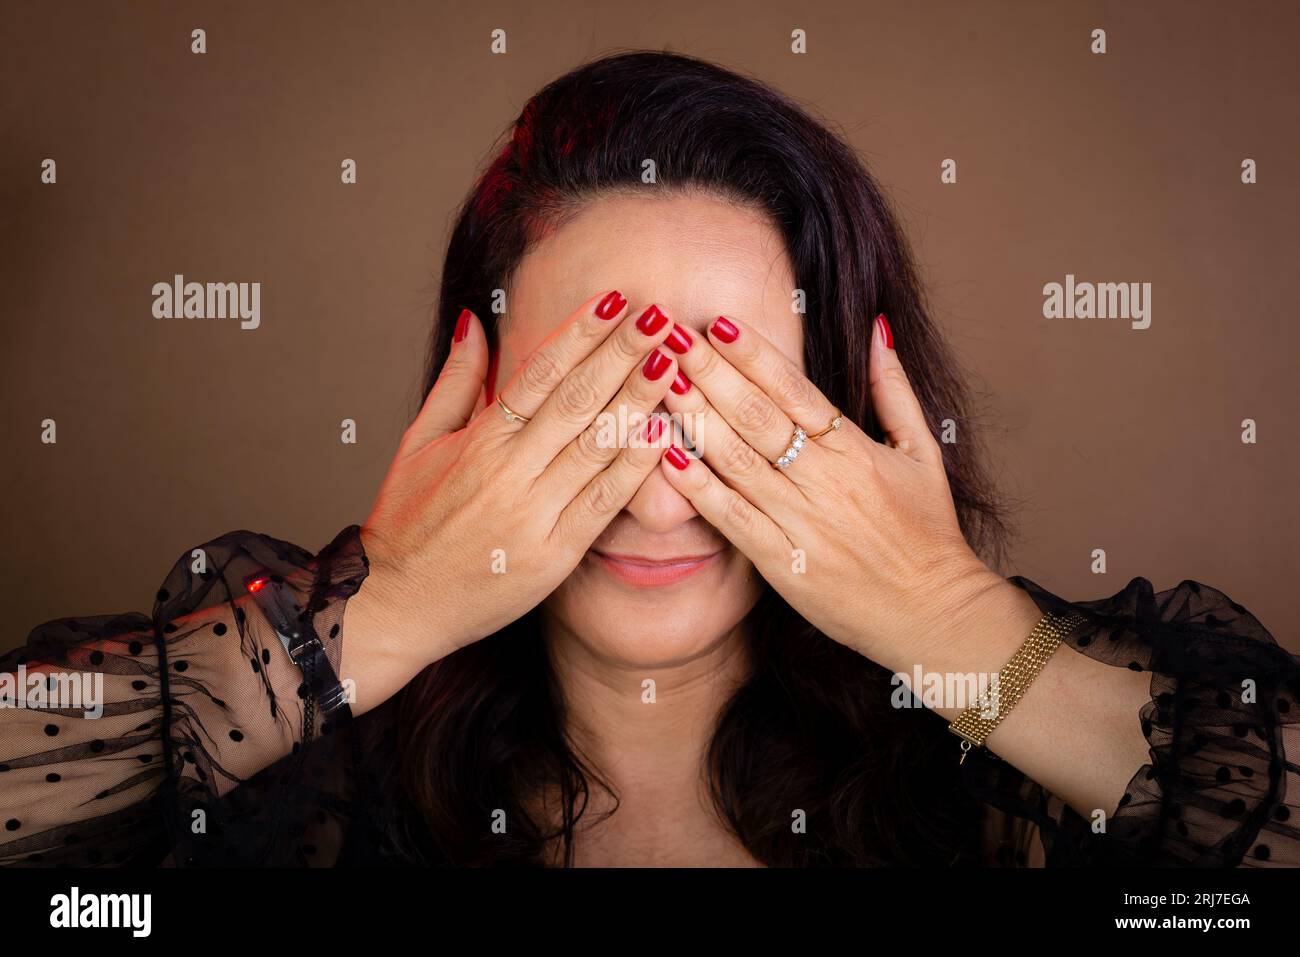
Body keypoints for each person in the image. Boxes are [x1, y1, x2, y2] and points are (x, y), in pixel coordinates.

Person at [1, 51, 1296, 868]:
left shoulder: (991, 771)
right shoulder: (308, 736)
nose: (662, 490)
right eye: (592, 402)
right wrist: (384, 607)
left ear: (844, 414)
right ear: (480, 404)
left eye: (733, 408)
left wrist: (953, 623)